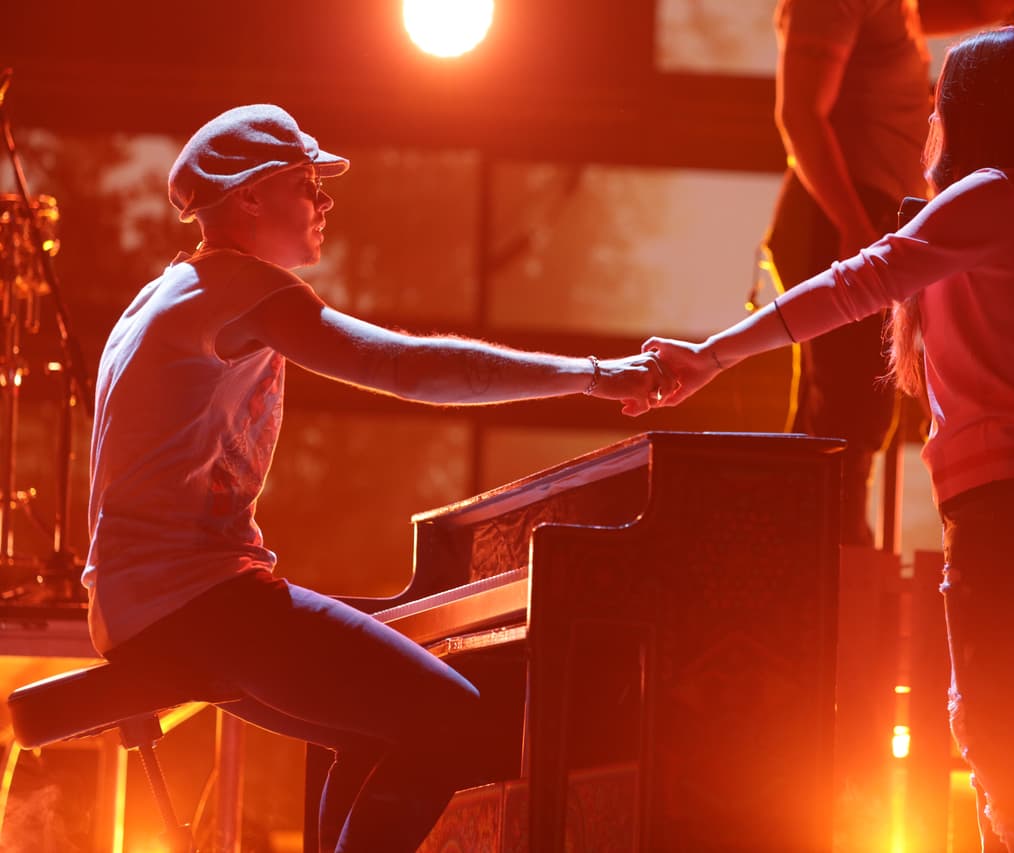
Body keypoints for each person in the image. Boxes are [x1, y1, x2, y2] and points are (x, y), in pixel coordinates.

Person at [82, 104, 663, 853]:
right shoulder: (235, 286)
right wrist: (594, 374)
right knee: (461, 722)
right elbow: (408, 367)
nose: (324, 201)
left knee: (374, 730)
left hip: (141, 610)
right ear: (249, 196)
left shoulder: (163, 294)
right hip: (199, 604)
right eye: (306, 183)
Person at [635, 27, 1014, 852]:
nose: (927, 114)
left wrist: (713, 356)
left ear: (972, 112)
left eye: (940, 100)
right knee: (1005, 746)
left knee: (1006, 748)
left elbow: (855, 281)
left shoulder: (997, 195)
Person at [762, 0, 932, 546]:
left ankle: (816, 563)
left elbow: (981, 6)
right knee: (848, 414)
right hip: (843, 222)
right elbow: (799, 115)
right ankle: (833, 573)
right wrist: (856, 227)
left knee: (846, 413)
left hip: (860, 219)